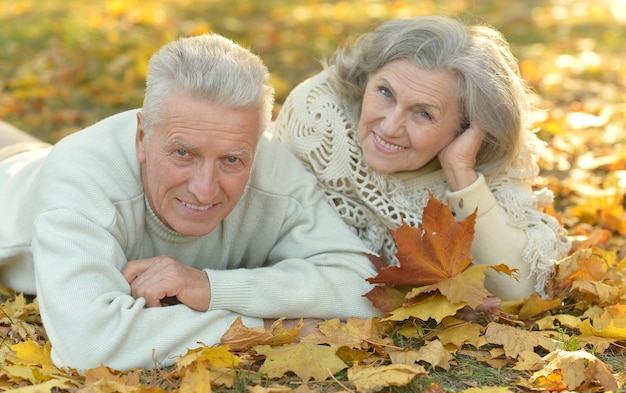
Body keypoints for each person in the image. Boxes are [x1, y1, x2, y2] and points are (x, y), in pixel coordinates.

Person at [0, 34, 381, 372]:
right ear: (141, 137)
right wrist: (268, 328)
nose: (204, 189)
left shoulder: (271, 163)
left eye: (232, 160)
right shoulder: (79, 176)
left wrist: (211, 287)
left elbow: (365, 285)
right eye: (183, 153)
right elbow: (90, 344)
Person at [272, 15, 571, 301]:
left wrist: (461, 176)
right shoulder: (318, 116)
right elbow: (264, 234)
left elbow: (520, 290)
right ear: (367, 79)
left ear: (466, 128)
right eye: (385, 92)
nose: (389, 127)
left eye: (423, 113)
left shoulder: (493, 168)